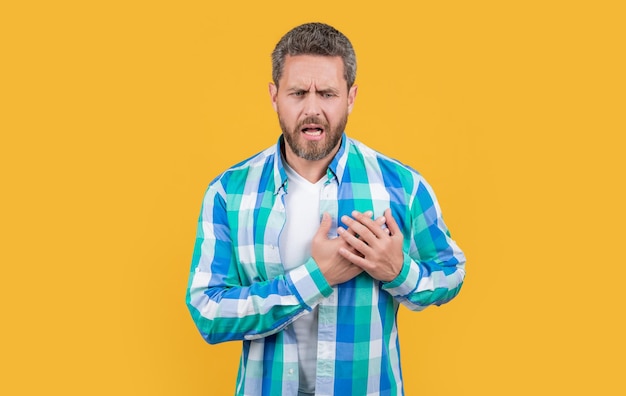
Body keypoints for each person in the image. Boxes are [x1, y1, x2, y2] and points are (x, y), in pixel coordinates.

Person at [186, 22, 466, 396]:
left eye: (328, 94)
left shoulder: (402, 187)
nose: (313, 109)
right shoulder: (228, 193)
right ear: (274, 96)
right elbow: (207, 311)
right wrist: (316, 278)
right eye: (298, 93)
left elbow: (451, 273)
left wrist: (399, 272)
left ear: (351, 97)